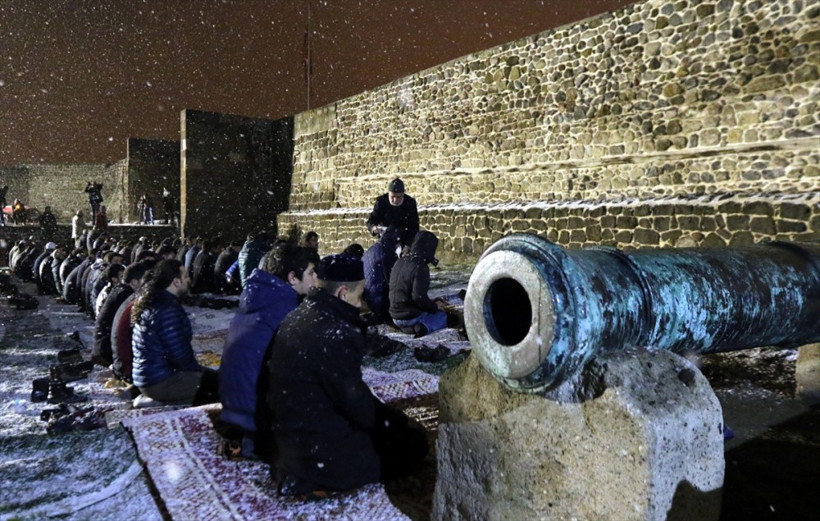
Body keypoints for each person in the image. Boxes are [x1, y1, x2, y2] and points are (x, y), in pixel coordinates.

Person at [267, 254, 428, 497]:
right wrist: (394, 425)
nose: (361, 303)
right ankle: (310, 478)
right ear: (343, 293)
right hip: (315, 448)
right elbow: (356, 405)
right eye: (359, 295)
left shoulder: (298, 314)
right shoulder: (336, 332)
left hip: (285, 438)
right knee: (412, 446)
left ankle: (301, 470)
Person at [218, 244, 319, 460]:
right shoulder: (284, 308)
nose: (315, 279)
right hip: (255, 417)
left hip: (233, 409)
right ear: (293, 277)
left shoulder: (260, 297)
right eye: (311, 273)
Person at [131, 259, 218, 405]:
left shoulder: (154, 300)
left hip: (149, 376)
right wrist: (202, 374)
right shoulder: (167, 309)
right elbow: (179, 356)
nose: (189, 280)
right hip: (161, 380)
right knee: (226, 387)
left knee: (214, 380)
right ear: (176, 282)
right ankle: (158, 400)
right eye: (185, 277)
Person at [388, 230, 448, 337]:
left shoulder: (400, 261)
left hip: (395, 316)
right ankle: (424, 328)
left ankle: (409, 329)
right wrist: (435, 307)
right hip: (409, 316)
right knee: (442, 316)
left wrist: (431, 302)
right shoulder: (420, 267)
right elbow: (418, 297)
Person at [366, 177, 419, 254]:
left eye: (398, 197)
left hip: (404, 238)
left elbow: (414, 226)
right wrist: (374, 228)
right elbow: (372, 220)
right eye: (392, 197)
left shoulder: (409, 203)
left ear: (403, 194)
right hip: (385, 239)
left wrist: (408, 245)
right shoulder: (381, 202)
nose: (395, 200)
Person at [362, 226, 401, 324]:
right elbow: (394, 281)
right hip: (378, 300)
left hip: (366, 296)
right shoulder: (387, 254)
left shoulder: (372, 249)